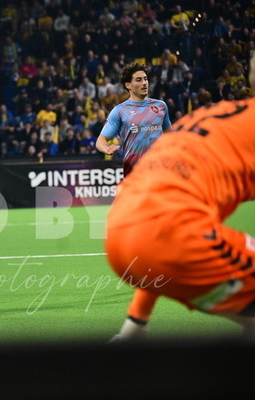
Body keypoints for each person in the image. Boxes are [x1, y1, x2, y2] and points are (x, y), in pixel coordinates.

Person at [105, 53, 255, 342]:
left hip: (122, 237)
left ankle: (132, 336)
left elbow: (155, 231)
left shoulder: (212, 113)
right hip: (172, 236)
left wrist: (137, 321)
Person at [95, 62, 173, 341]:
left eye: (145, 78)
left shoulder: (160, 107)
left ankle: (154, 278)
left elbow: (172, 137)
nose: (144, 82)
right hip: (133, 180)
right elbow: (101, 141)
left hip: (159, 178)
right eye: (138, 79)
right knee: (122, 231)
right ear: (128, 84)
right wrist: (107, 147)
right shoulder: (120, 111)